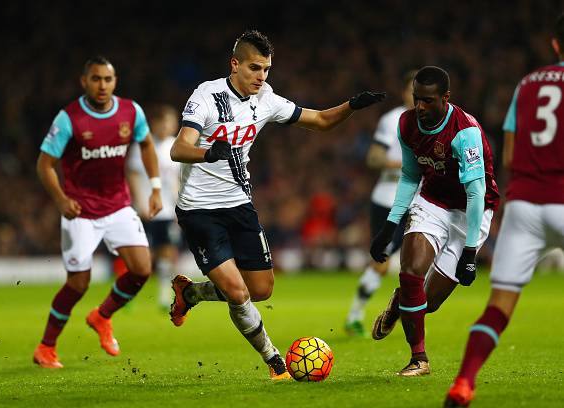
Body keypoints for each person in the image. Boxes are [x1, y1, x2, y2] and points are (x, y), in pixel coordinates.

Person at [168, 30, 385, 380]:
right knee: (239, 294)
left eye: (266, 69)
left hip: (239, 205)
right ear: (234, 64)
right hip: (199, 210)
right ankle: (274, 361)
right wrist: (210, 152)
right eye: (255, 68)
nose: (261, 76)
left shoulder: (265, 99)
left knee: (261, 289)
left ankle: (190, 293)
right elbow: (179, 148)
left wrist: (351, 106)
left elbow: (320, 121)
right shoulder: (206, 96)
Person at [444, 15, 564, 407]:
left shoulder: (527, 86)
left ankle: (463, 382)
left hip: (524, 205)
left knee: (499, 305)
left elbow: (511, 155)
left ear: (555, 45)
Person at [369, 66, 500, 376]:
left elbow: (476, 193)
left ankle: (400, 304)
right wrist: (389, 227)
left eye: (428, 101)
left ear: (446, 98)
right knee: (411, 270)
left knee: (428, 303)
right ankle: (419, 359)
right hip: (432, 203)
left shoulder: (464, 132)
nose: (420, 107)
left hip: (472, 212)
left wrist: (469, 253)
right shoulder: (407, 123)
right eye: (417, 99)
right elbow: (410, 175)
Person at [32, 56, 162, 368]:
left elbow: (146, 144)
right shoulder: (70, 118)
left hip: (118, 206)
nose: (102, 85)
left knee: (142, 269)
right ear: (84, 81)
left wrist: (155, 186)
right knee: (78, 284)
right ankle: (46, 347)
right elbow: (44, 164)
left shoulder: (131, 112)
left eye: (107, 79)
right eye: (96, 79)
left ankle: (102, 316)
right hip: (82, 212)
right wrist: (61, 199)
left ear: (115, 81)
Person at [345, 70, 416, 337]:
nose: (416, 95)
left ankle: (405, 313)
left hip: (417, 202)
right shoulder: (392, 120)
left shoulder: (435, 120)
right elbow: (374, 159)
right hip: (388, 200)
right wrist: (408, 166)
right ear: (403, 92)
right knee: (382, 261)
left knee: (412, 260)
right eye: (411, 89)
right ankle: (356, 315)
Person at [127, 104, 181, 310]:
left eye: (170, 121)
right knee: (142, 256)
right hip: (146, 209)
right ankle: (128, 295)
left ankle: (163, 296)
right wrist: (140, 202)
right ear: (154, 123)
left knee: (166, 252)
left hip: (167, 210)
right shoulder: (142, 145)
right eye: (163, 121)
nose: (167, 126)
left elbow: (176, 178)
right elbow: (133, 174)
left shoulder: (175, 145)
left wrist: (179, 205)